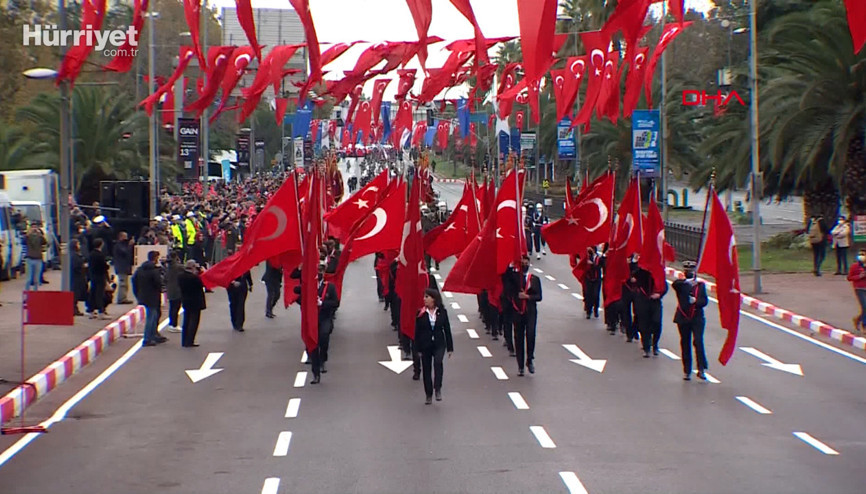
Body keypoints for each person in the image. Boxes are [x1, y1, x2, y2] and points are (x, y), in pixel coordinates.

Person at [414, 288, 453, 404]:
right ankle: (428, 394)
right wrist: (417, 349)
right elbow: (417, 332)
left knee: (437, 362)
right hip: (425, 345)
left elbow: (447, 329)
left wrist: (450, 348)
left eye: (427, 297)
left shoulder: (442, 312)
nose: (424, 299)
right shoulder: (420, 313)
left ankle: (438, 388)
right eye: (424, 297)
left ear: (434, 299)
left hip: (439, 343)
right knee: (426, 369)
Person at [671, 261, 709, 381]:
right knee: (685, 343)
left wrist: (696, 302)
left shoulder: (700, 286)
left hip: (697, 317)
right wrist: (688, 284)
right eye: (687, 271)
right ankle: (687, 371)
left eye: (691, 271)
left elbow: (704, 301)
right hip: (683, 318)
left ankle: (701, 369)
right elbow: (675, 284)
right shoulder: (681, 285)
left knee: (698, 341)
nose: (689, 273)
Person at [509, 255, 542, 376]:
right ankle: (520, 366)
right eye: (522, 263)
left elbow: (539, 296)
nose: (525, 265)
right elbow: (507, 285)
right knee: (518, 338)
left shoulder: (534, 279)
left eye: (526, 263)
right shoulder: (514, 278)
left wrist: (528, 297)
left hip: (530, 312)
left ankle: (530, 359)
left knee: (531, 335)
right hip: (517, 312)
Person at [630, 253, 668, 358]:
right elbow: (632, 275)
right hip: (643, 300)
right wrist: (635, 263)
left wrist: (659, 294)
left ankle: (655, 344)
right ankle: (646, 348)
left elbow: (665, 286)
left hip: (655, 301)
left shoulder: (659, 272)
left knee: (656, 322)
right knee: (644, 324)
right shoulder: (641, 272)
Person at [132, 251, 167, 347]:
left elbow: (134, 282)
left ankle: (153, 335)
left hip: (143, 296)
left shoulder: (139, 270)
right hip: (153, 297)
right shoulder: (154, 271)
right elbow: (158, 283)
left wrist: (137, 294)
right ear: (155, 258)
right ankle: (147, 338)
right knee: (152, 317)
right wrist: (161, 289)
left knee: (153, 315)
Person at [177, 260, 207, 347]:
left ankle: (185, 340)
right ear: (193, 267)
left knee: (186, 321)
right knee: (194, 321)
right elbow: (202, 284)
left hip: (186, 300)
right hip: (195, 301)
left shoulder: (181, 276)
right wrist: (201, 273)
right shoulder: (194, 278)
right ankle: (190, 340)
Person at [88, 238, 110, 319]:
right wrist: (107, 265)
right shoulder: (100, 255)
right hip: (100, 276)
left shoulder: (91, 254)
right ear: (101, 245)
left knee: (93, 293)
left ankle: (91, 311)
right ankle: (101, 311)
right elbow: (104, 266)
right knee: (100, 294)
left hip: (93, 276)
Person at [227, 265, 253, 332]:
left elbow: (247, 273)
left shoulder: (244, 263)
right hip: (232, 287)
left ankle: (239, 324)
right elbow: (225, 274)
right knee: (233, 305)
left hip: (242, 287)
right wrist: (232, 282)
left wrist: (250, 284)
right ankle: (234, 322)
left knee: (240, 305)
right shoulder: (229, 263)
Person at [112, 231, 134, 304]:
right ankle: (121, 298)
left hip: (124, 266)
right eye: (125, 236)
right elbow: (125, 253)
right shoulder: (118, 245)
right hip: (121, 266)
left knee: (125, 284)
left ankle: (124, 297)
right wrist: (130, 245)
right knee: (123, 284)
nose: (126, 238)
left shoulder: (123, 245)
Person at [847, 249, 866, 333]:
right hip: (860, 288)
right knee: (865, 306)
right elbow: (849, 277)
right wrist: (859, 276)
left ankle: (858, 319)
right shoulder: (855, 266)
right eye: (861, 254)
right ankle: (864, 325)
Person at [165, 251, 184, 333]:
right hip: (177, 290)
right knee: (176, 308)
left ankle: (171, 324)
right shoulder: (178, 267)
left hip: (170, 289)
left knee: (172, 307)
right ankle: (174, 324)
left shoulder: (168, 267)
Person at [24, 224, 46, 291]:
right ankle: (27, 293)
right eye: (32, 228)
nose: (34, 229)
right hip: (29, 259)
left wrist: (40, 234)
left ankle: (35, 293)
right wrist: (28, 234)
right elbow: (24, 242)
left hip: (38, 259)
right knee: (28, 279)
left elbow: (45, 242)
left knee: (37, 279)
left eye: (35, 227)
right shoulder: (28, 237)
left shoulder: (39, 237)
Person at [71, 239, 88, 316]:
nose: (80, 246)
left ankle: (75, 308)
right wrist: (83, 266)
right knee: (75, 293)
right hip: (76, 277)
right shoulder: (74, 255)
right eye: (78, 244)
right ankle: (73, 309)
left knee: (76, 293)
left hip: (77, 276)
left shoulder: (76, 254)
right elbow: (76, 266)